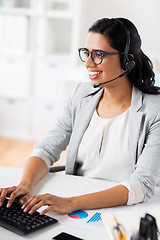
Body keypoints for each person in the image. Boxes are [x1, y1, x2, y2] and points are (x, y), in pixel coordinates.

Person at [1, 17, 160, 216]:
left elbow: (142, 185)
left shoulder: (155, 110)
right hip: (76, 205)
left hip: (124, 211)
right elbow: (47, 148)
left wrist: (71, 203)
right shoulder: (82, 95)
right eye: (86, 53)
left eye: (98, 54)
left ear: (127, 61)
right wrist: (25, 185)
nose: (88, 63)